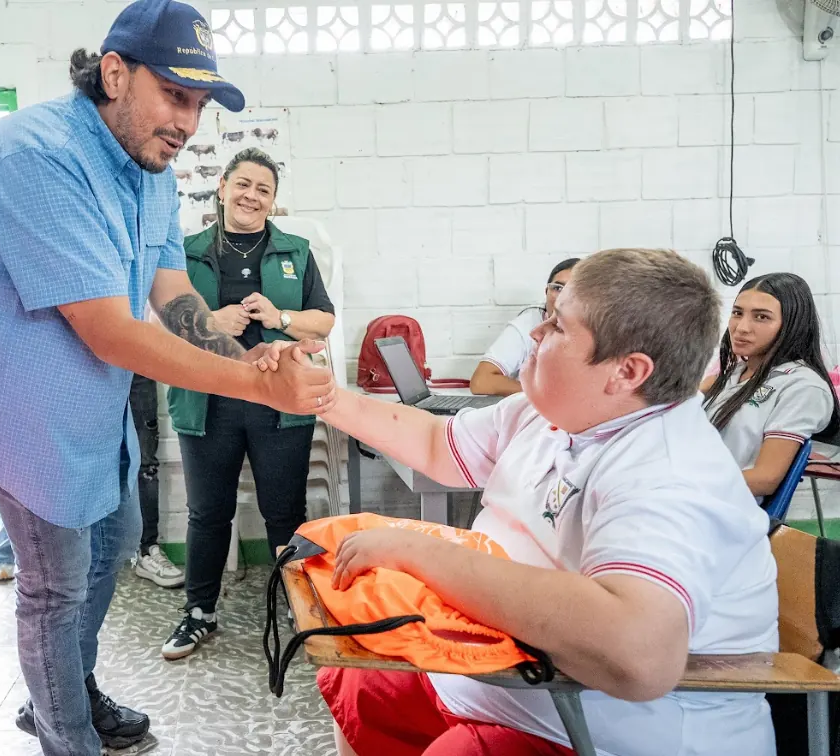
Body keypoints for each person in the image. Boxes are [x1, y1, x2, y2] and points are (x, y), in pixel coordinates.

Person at [0, 0, 335, 752]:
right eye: (175, 96)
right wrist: (257, 386)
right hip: (25, 413)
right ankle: (66, 734)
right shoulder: (36, 152)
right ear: (114, 73)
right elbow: (111, 329)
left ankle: (68, 692)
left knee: (115, 545)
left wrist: (250, 357)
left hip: (92, 408)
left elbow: (174, 297)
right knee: (53, 589)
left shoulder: (150, 167)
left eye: (199, 105)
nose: (188, 123)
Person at [290, 248, 778, 756]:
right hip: (515, 679)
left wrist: (420, 553)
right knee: (363, 686)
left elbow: (640, 656)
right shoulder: (556, 411)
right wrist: (318, 399)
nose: (536, 334)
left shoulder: (670, 474)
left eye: (558, 327)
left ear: (627, 371)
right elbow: (439, 445)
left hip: (599, 728)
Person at [163, 147, 335, 660]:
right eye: (243, 184)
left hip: (279, 403)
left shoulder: (296, 251)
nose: (251, 196)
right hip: (208, 400)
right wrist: (210, 322)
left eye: (263, 189)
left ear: (273, 201)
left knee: (286, 512)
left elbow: (323, 322)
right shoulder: (185, 250)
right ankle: (199, 613)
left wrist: (281, 316)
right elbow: (161, 325)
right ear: (221, 187)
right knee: (208, 513)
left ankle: (298, 605)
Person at [702, 272, 840, 500]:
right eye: (738, 313)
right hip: (694, 499)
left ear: (792, 326)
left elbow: (764, 479)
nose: (741, 327)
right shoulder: (730, 376)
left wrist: (681, 489)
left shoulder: (803, 387)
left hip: (723, 512)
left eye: (761, 317)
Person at [469, 258, 578, 396]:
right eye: (557, 288)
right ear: (546, 292)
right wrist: (543, 396)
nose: (563, 297)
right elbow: (481, 382)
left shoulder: (602, 326)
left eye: (574, 290)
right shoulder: (528, 325)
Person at [130, 372, 185, 588]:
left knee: (146, 465)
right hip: (89, 365)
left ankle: (147, 550)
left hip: (135, 367)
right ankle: (88, 557)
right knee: (89, 461)